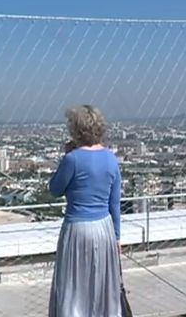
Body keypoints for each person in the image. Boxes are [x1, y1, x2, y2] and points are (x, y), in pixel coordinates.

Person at [48, 105, 122, 317]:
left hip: (77, 229)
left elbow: (54, 189)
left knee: (73, 286)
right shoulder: (111, 158)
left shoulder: (72, 159)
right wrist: (117, 237)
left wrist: (66, 156)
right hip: (104, 228)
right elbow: (114, 202)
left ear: (76, 130)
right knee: (102, 284)